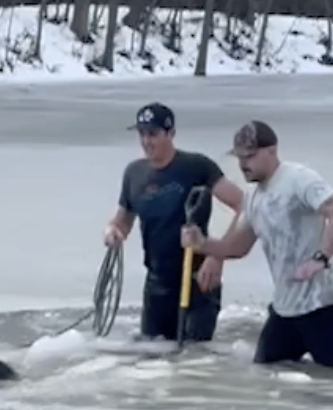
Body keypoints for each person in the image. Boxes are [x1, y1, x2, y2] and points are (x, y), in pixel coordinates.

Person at [182, 119, 333, 370]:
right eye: (239, 157)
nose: (243, 164)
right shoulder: (253, 196)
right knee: (265, 373)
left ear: (272, 151)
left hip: (323, 307)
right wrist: (202, 244)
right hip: (285, 311)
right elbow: (237, 247)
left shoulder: (299, 179)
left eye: (250, 156)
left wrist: (320, 258)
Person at [103, 101, 246, 344]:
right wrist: (112, 232)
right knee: (153, 358)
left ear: (171, 133)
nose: (146, 141)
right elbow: (122, 222)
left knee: (194, 359)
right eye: (142, 134)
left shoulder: (196, 167)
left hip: (198, 280)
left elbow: (243, 205)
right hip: (157, 285)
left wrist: (217, 256)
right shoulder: (134, 173)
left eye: (153, 134)